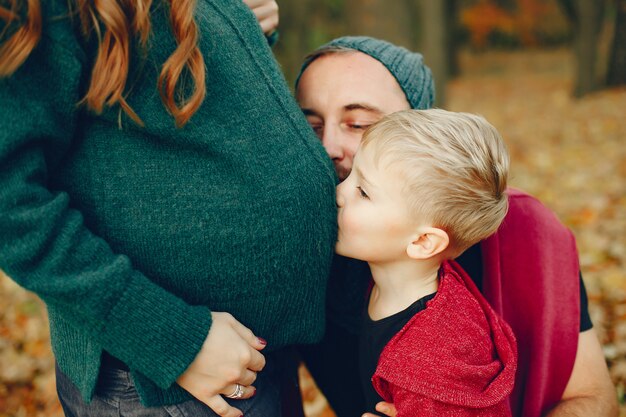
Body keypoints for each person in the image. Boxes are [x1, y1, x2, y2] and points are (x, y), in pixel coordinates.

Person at [0, 1, 337, 417]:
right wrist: (174, 341)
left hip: (251, 351)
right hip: (169, 373)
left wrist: (235, 25)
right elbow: (10, 206)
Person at [295, 36, 617, 417]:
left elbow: (595, 402)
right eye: (309, 125)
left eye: (360, 123)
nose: (328, 145)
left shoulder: (522, 231)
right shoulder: (295, 246)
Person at [337, 108, 517, 416]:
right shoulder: (395, 281)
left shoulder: (429, 361)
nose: (340, 192)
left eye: (363, 192)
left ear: (422, 242)